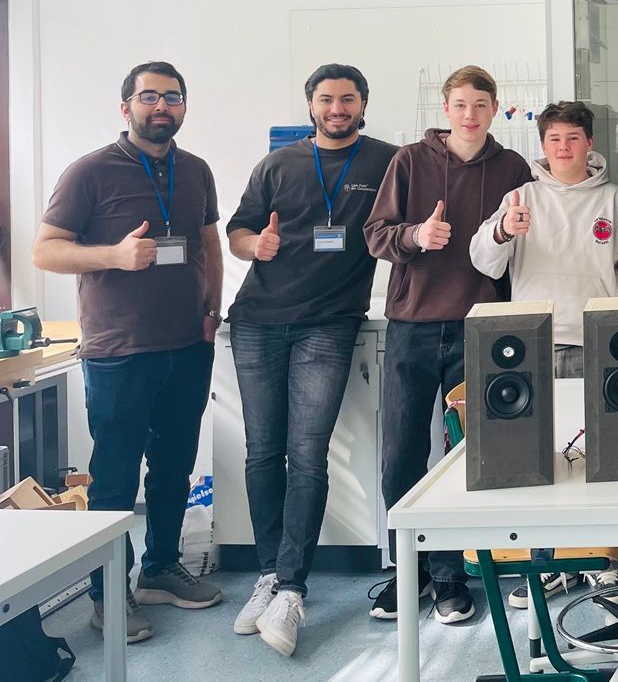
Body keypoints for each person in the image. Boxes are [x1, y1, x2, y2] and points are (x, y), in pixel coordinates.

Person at [33, 62, 224, 645]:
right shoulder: (89, 171)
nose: (161, 106)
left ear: (184, 106)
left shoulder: (196, 170)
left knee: (173, 468)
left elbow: (208, 243)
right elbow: (45, 250)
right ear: (126, 107)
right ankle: (108, 594)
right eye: (149, 96)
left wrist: (212, 310)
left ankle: (161, 568)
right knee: (115, 477)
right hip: (119, 350)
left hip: (187, 344)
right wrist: (112, 256)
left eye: (173, 96)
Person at [223, 64, 398, 656]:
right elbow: (238, 232)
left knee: (306, 453)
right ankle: (268, 575)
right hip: (257, 321)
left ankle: (292, 588)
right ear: (311, 105)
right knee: (262, 452)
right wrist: (256, 244)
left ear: (363, 103)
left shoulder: (386, 162)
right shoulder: (277, 164)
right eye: (327, 99)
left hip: (329, 323)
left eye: (348, 98)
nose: (337, 108)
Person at [363, 65, 530, 625]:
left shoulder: (513, 168)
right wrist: (416, 235)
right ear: (446, 109)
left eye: (481, 104)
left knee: (468, 455)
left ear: (495, 108)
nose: (470, 114)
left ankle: (453, 576)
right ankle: (408, 570)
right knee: (403, 454)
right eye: (460, 104)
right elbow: (375, 235)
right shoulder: (409, 161)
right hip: (412, 326)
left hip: (481, 328)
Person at [470, 100, 618, 609]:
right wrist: (504, 230)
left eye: (573, 138)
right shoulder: (521, 197)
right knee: (541, 460)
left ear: (590, 143)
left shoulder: (613, 199)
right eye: (554, 139)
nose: (563, 148)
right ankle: (546, 564)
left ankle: (602, 561)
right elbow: (485, 261)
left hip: (595, 342)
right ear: (543, 146)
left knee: (599, 459)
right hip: (533, 345)